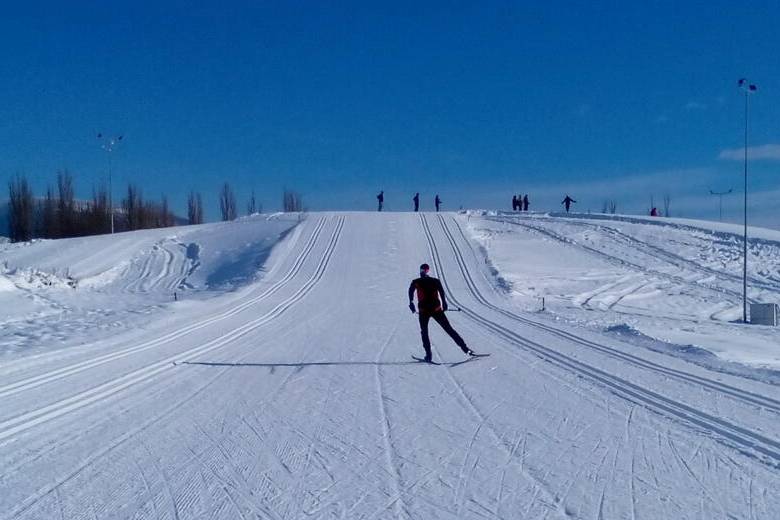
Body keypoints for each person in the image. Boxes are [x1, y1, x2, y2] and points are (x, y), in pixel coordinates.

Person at [408, 263, 474, 362]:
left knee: (424, 332)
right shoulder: (435, 281)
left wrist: (411, 303)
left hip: (424, 311)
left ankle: (428, 355)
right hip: (436, 309)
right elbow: (442, 292)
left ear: (421, 271)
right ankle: (465, 349)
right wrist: (444, 303)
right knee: (449, 329)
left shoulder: (416, 282)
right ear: (428, 271)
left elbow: (410, 292)